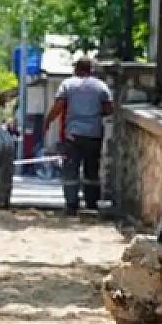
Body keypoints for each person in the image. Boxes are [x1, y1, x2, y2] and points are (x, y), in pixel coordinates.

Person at [43, 57, 113, 215]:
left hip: (73, 135)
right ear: (91, 70)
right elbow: (109, 109)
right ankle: (91, 203)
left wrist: (47, 122)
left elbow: (59, 106)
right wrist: (94, 114)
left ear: (76, 69)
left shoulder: (68, 85)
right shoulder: (101, 87)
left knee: (70, 170)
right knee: (92, 169)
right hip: (94, 134)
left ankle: (71, 204)